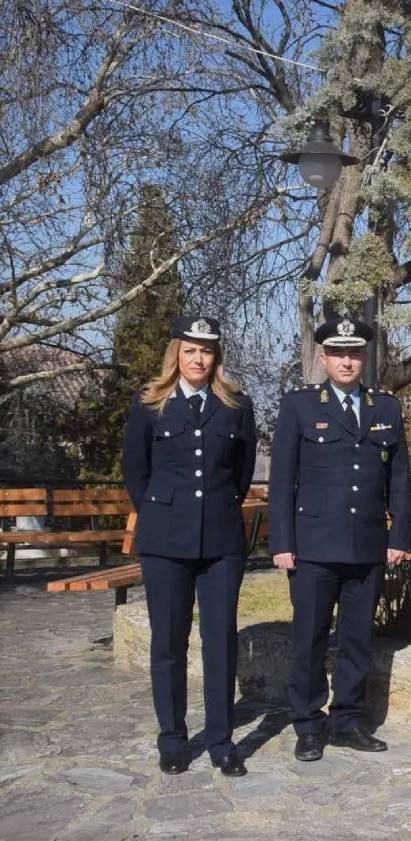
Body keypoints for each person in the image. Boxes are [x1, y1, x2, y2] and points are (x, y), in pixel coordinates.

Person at [268, 316, 411, 762]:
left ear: (363, 358)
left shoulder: (385, 408)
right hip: (312, 545)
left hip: (367, 543)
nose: (346, 361)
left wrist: (399, 536)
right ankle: (309, 725)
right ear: (324, 358)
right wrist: (282, 543)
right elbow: (282, 480)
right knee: (310, 637)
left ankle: (348, 720)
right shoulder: (300, 406)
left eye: (354, 354)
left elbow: (400, 477)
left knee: (357, 639)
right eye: (338, 353)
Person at [122, 316, 257, 777]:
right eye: (190, 350)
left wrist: (210, 511)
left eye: (207, 351)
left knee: (220, 641)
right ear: (175, 355)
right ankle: (173, 738)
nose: (198, 359)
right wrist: (166, 515)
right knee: (168, 643)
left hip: (221, 542)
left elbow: (240, 475)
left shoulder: (236, 405)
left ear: (216, 357)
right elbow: (136, 472)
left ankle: (221, 740)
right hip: (165, 542)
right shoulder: (148, 404)